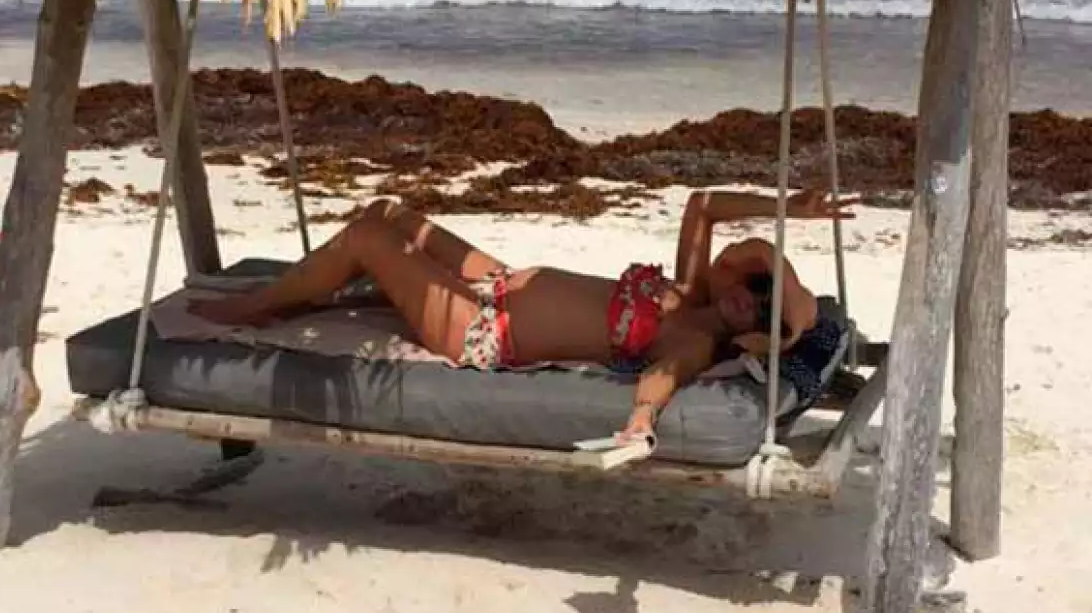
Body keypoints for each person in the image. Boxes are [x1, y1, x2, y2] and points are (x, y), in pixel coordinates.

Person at [190, 188, 856, 443]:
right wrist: (790, 211)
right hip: (496, 282)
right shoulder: (690, 289)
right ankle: (304, 293)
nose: (754, 299)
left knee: (369, 242)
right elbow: (703, 204)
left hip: (483, 330)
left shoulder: (695, 339)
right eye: (761, 285)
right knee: (385, 213)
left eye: (766, 313)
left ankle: (253, 307)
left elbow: (664, 377)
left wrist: (640, 421)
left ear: (752, 336)